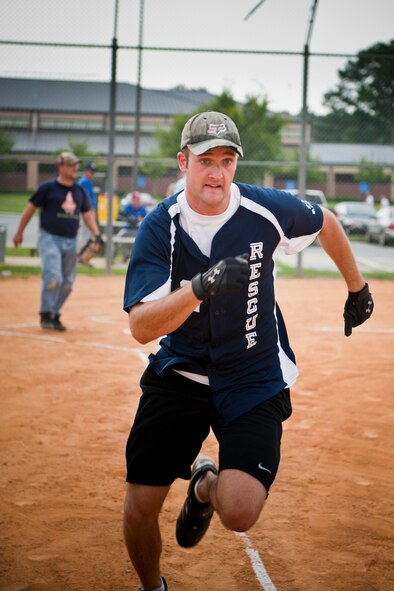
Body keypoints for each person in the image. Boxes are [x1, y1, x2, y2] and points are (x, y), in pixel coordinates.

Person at [122, 111, 374, 591]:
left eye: (227, 160)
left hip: (253, 375)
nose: (217, 173)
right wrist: (199, 287)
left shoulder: (264, 209)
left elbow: (327, 222)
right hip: (182, 372)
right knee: (138, 510)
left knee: (239, 512)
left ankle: (203, 486)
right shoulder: (161, 226)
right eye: (205, 161)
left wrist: (356, 288)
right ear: (183, 163)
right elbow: (140, 327)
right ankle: (152, 587)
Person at [13, 151, 101, 331]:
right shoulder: (48, 188)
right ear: (60, 167)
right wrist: (19, 231)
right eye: (71, 164)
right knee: (54, 277)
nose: (75, 168)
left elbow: (87, 214)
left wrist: (96, 233)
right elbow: (30, 209)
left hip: (71, 239)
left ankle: (53, 313)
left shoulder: (79, 190)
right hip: (49, 238)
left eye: (76, 164)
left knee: (68, 283)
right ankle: (45, 313)